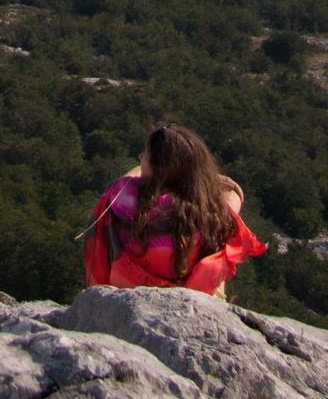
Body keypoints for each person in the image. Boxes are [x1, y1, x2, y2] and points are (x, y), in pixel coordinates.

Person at [83, 121, 264, 296]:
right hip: (192, 296)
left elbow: (126, 179)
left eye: (145, 155)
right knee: (219, 250)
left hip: (127, 291)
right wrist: (210, 180)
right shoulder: (209, 213)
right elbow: (234, 195)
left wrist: (141, 168)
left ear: (158, 167)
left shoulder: (124, 200)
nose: (140, 157)